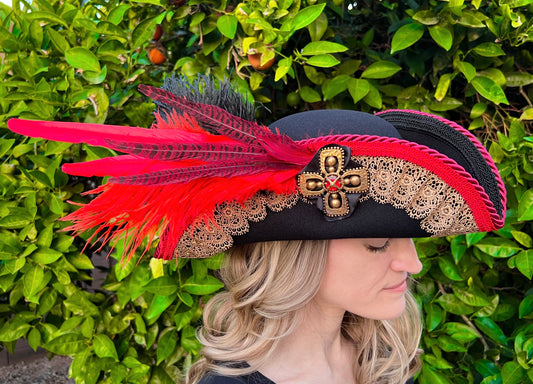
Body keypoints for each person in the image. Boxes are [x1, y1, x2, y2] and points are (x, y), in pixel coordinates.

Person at [7, 77, 506, 384]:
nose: (411, 263)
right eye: (378, 242)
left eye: (407, 240)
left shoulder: (383, 360)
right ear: (296, 255)